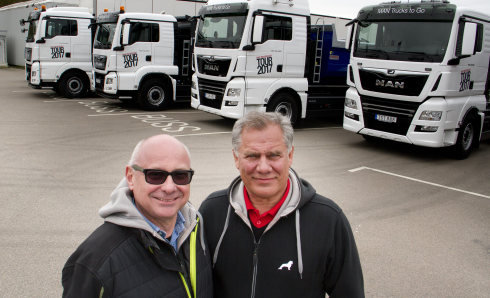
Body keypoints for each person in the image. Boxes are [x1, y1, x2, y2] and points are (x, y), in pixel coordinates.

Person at [199, 111, 364, 298]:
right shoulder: (212, 212)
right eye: (252, 156)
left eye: (274, 155)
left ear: (290, 155)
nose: (263, 167)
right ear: (236, 158)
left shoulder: (328, 220)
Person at [62, 135, 213, 298]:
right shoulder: (96, 261)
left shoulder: (196, 227)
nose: (169, 187)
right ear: (130, 177)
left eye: (180, 175)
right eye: (155, 175)